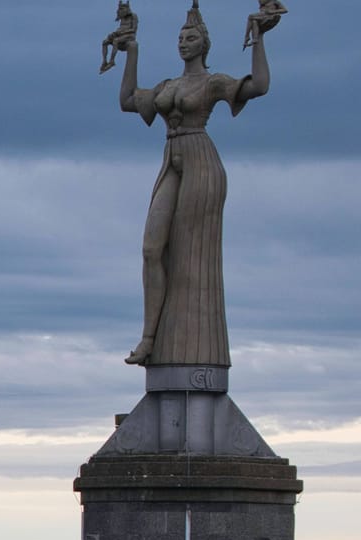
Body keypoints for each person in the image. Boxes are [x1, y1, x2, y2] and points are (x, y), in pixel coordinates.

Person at [111, 2, 274, 367]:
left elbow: (259, 86)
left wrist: (259, 38)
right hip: (171, 158)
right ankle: (149, 337)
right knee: (153, 249)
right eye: (181, 37)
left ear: (204, 45)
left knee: (190, 256)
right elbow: (126, 101)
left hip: (201, 161)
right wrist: (131, 52)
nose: (183, 43)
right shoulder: (168, 85)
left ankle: (186, 343)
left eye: (191, 37)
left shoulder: (212, 83)